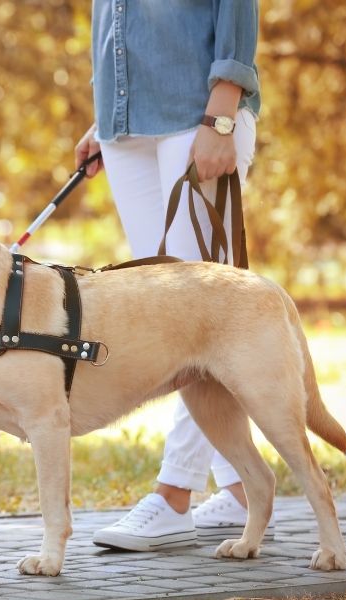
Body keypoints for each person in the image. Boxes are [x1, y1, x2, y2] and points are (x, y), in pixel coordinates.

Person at [75, 0, 275, 551]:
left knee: (196, 316)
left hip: (197, 117)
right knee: (167, 315)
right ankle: (239, 489)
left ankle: (174, 493)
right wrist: (112, 113)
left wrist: (223, 112)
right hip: (126, 127)